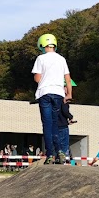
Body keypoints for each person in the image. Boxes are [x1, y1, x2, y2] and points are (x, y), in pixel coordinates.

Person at [32, 33, 72, 165]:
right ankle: (60, 151)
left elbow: (37, 78)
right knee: (55, 123)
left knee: (47, 125)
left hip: (45, 93)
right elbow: (67, 78)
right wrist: (69, 94)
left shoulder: (41, 58)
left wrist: (42, 78)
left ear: (42, 45)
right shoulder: (62, 59)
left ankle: (50, 154)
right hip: (58, 93)